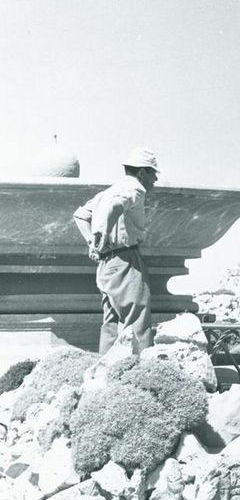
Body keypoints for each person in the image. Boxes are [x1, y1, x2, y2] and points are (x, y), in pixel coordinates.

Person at [72, 148, 159, 354]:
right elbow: (116, 206)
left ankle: (104, 372)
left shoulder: (107, 191)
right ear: (141, 173)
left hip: (106, 264)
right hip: (126, 259)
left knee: (110, 320)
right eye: (153, 172)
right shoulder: (136, 188)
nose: (155, 178)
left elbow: (80, 215)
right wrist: (103, 231)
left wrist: (92, 243)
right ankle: (140, 374)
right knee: (137, 316)